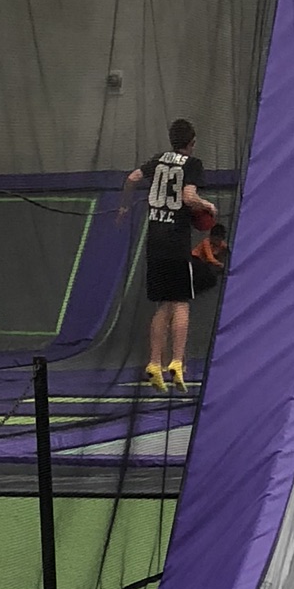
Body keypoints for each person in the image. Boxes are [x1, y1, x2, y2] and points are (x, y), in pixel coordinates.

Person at [122, 118, 218, 390]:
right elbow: (188, 197)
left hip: (154, 241)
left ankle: (154, 362)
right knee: (182, 302)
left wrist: (124, 206)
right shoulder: (192, 164)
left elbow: (132, 178)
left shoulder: (158, 160)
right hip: (176, 242)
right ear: (192, 142)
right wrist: (207, 205)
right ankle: (176, 361)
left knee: (163, 304)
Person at [190, 221, 228, 296]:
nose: (217, 242)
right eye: (215, 239)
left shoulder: (222, 245)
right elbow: (210, 258)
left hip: (205, 263)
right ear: (211, 237)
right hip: (195, 259)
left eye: (219, 239)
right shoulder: (206, 242)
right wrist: (221, 265)